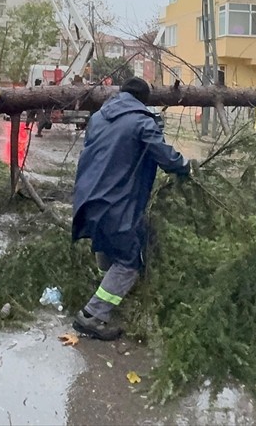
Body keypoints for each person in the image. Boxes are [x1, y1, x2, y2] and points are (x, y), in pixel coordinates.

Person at [70, 77, 191, 340]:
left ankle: (108, 294)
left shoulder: (99, 117)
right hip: (114, 203)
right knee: (128, 261)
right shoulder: (141, 121)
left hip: (87, 198)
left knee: (107, 245)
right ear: (143, 101)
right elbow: (167, 158)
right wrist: (187, 167)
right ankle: (92, 315)